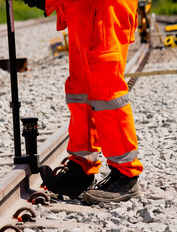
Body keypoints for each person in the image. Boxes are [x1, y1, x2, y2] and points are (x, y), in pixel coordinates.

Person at [22, 0, 144, 204]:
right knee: (81, 88)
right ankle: (81, 169)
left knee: (107, 90)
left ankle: (126, 176)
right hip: (82, 8)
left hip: (105, 8)